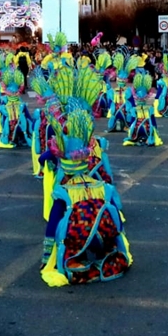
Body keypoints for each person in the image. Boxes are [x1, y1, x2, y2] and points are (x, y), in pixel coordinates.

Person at [40, 103, 131, 287]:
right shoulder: (102, 185)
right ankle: (108, 252)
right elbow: (117, 218)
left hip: (77, 239)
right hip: (104, 236)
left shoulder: (63, 191)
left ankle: (75, 257)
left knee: (65, 225)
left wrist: (47, 257)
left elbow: (52, 227)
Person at [124, 71, 163, 146]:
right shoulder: (149, 108)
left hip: (136, 131)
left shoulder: (136, 109)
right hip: (146, 130)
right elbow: (153, 122)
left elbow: (131, 122)